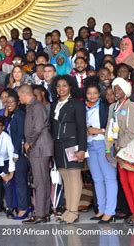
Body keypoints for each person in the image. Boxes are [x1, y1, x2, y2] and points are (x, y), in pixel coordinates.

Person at [49, 76, 86, 224]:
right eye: (58, 86)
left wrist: (82, 149)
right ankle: (69, 209)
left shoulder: (76, 104)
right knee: (65, 176)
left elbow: (82, 127)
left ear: (70, 87)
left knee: (74, 175)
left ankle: (74, 211)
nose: (61, 89)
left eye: (64, 86)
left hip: (72, 144)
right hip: (58, 144)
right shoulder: (54, 105)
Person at [106, 78, 134, 226]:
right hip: (117, 150)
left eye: (119, 89)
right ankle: (133, 212)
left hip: (127, 148)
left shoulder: (131, 105)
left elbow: (132, 130)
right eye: (115, 89)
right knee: (124, 181)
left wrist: (120, 146)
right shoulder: (112, 107)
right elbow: (109, 128)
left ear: (125, 90)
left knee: (132, 181)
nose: (116, 92)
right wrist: (109, 148)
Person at [84, 83, 117, 223]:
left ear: (99, 94)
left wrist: (98, 131)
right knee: (97, 179)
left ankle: (110, 212)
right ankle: (101, 210)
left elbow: (114, 127)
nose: (92, 96)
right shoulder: (83, 108)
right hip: (89, 145)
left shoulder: (106, 107)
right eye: (89, 93)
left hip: (104, 144)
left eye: (95, 93)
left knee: (109, 178)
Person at [5, 92, 30, 220]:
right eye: (7, 102)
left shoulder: (19, 115)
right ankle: (25, 205)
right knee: (20, 181)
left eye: (12, 102)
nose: (8, 104)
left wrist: (15, 153)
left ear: (18, 103)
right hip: (16, 153)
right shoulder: (13, 115)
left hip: (19, 154)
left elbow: (21, 134)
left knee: (20, 181)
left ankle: (23, 209)